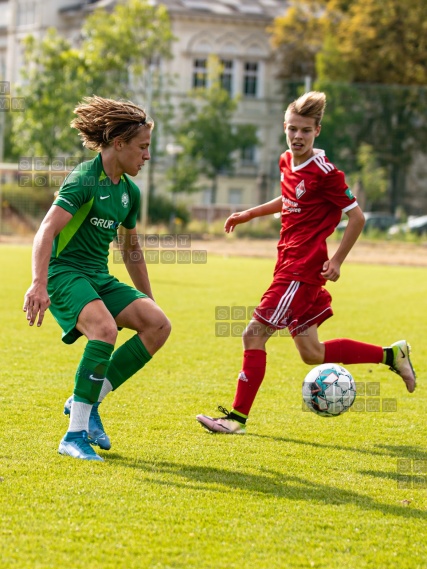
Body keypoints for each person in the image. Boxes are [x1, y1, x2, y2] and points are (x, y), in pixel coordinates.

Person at [196, 91, 416, 435]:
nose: (298, 136)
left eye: (305, 131)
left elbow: (357, 218)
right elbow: (287, 197)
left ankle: (235, 419)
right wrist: (250, 213)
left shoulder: (327, 173)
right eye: (292, 129)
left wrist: (338, 261)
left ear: (317, 131)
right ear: (285, 128)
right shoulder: (286, 161)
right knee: (312, 352)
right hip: (287, 265)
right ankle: (392, 356)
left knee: (253, 335)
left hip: (301, 271)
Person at [23, 96, 171, 461]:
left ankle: (86, 401)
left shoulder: (128, 192)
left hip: (97, 276)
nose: (147, 156)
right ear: (119, 144)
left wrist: (147, 299)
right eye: (143, 147)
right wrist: (38, 283)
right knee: (104, 329)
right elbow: (46, 229)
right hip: (63, 274)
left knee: (158, 325)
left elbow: (131, 250)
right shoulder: (85, 180)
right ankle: (73, 435)